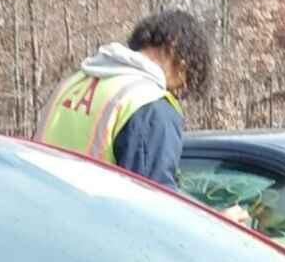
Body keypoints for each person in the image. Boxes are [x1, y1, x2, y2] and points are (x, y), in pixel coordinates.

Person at [35, 11, 211, 189]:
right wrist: (209, 217)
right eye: (187, 78)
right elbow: (154, 203)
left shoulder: (71, 84)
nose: (180, 91)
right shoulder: (149, 105)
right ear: (175, 50)